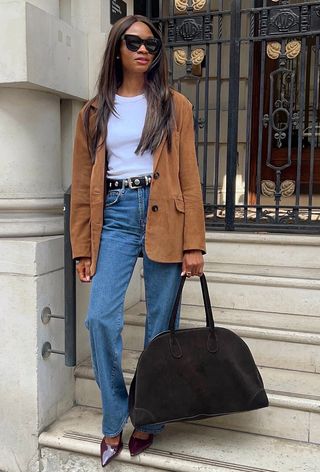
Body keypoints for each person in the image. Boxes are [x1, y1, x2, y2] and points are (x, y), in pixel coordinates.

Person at [70, 14, 206, 467]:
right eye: (133, 42)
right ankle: (114, 417)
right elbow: (81, 183)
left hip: (166, 212)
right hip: (114, 217)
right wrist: (83, 247)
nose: (144, 50)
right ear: (117, 48)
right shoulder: (93, 112)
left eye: (152, 44)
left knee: (159, 328)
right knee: (100, 320)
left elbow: (189, 177)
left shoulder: (174, 106)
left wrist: (194, 243)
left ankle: (148, 417)